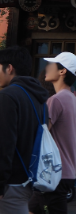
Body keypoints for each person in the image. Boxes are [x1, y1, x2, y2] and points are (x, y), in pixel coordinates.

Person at [29, 52, 76, 214]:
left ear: (62, 71)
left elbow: (41, 134)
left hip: (52, 172)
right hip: (66, 170)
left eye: (52, 64)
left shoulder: (56, 100)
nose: (47, 68)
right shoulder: (74, 100)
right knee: (32, 208)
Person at [0, 47, 48, 214]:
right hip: (30, 177)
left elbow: (5, 143)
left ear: (9, 68)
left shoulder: (8, 96)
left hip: (11, 181)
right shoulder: (39, 97)